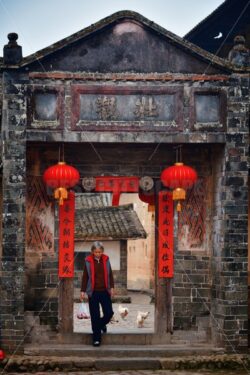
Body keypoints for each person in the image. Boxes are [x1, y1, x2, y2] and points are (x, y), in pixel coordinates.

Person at [80, 241, 114, 347]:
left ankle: (101, 324)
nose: (98, 254)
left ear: (102, 251)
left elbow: (110, 274)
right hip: (93, 292)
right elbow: (85, 276)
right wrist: (83, 290)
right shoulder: (88, 261)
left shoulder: (106, 259)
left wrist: (112, 287)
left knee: (109, 313)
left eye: (99, 252)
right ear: (92, 252)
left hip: (105, 291)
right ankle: (96, 339)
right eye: (96, 252)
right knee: (95, 316)